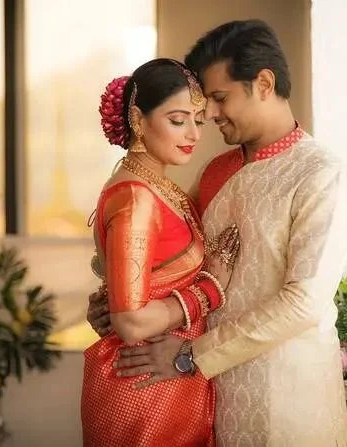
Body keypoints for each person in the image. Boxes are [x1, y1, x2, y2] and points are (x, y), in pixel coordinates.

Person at [88, 20, 347, 446]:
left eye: (219, 98)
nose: (211, 115)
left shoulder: (321, 175)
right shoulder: (216, 171)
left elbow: (304, 302)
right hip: (203, 399)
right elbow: (164, 256)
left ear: (264, 84)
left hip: (283, 398)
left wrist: (191, 356)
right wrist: (114, 299)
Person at [81, 58, 240, 447]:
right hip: (143, 389)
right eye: (178, 120)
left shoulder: (156, 187)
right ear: (138, 119)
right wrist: (210, 290)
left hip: (161, 380)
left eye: (197, 121)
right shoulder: (136, 198)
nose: (193, 134)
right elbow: (131, 323)